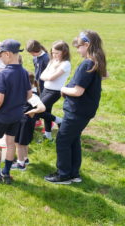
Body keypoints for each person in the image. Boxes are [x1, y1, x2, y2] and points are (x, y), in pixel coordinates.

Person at [45, 30, 107, 184]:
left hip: (77, 111)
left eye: (79, 46)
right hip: (84, 111)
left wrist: (63, 89)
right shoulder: (96, 62)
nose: (78, 50)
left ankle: (63, 175)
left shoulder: (87, 63)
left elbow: (77, 91)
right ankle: (73, 173)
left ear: (87, 45)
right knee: (73, 140)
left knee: (63, 140)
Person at [0, 39, 32, 184]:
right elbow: (29, 95)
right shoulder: (24, 72)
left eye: (1, 54)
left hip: (2, 116)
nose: (0, 57)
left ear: (8, 54)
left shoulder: (3, 74)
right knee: (10, 143)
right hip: (17, 115)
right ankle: (6, 174)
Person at [11, 72, 46, 171]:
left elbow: (42, 107)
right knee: (24, 142)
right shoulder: (28, 93)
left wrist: (32, 111)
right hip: (25, 122)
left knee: (19, 143)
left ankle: (20, 164)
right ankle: (25, 159)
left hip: (24, 122)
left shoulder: (32, 96)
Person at [38, 41, 71, 140]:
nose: (54, 55)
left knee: (38, 110)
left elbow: (52, 77)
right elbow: (42, 76)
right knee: (47, 111)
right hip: (45, 90)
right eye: (53, 53)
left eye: (57, 53)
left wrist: (48, 76)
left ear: (64, 52)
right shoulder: (52, 61)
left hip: (54, 92)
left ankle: (59, 121)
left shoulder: (66, 64)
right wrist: (49, 76)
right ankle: (48, 135)